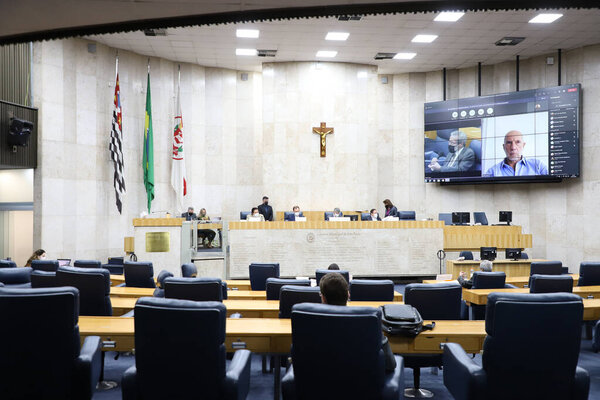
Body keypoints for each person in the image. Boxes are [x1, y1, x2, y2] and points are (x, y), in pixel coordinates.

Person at [319, 273, 396, 372]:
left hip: (320, 383)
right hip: (362, 384)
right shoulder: (369, 321)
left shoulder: (309, 322)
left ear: (323, 298)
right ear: (348, 295)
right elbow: (390, 363)